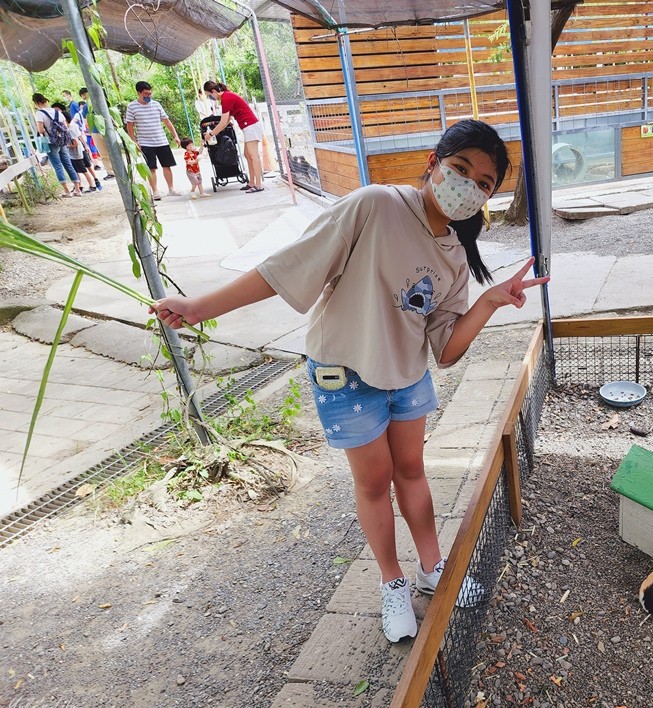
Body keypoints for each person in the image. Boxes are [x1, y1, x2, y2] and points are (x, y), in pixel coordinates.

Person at [151, 120, 549, 643]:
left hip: (406, 376)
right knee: (373, 482)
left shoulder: (454, 253)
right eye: (460, 170)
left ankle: (432, 567)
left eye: (484, 183)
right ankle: (392, 583)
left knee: (411, 471)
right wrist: (200, 308)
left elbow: (447, 350)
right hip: (345, 374)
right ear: (433, 163)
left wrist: (491, 300)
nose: (468, 187)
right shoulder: (376, 205)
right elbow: (288, 267)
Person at [202, 81, 264, 193]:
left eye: (209, 95)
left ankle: (258, 185)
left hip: (251, 126)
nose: (210, 98)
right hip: (248, 127)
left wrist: (210, 134)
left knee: (253, 156)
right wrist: (213, 133)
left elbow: (223, 122)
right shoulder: (226, 97)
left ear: (214, 92)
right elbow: (226, 121)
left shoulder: (226, 98)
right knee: (247, 155)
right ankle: (251, 183)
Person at [125, 80, 181, 200]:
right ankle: (155, 191)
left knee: (167, 165)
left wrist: (175, 135)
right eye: (145, 94)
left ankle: (171, 188)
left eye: (150, 93)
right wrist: (134, 141)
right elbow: (130, 125)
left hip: (162, 140)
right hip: (145, 142)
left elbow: (166, 120)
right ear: (139, 93)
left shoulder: (156, 104)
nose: (148, 96)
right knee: (151, 168)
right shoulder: (131, 107)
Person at [32, 93, 83, 198]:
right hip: (62, 141)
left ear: (36, 103)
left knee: (58, 166)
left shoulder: (39, 113)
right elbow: (65, 127)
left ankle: (67, 191)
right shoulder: (57, 112)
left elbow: (40, 130)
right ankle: (78, 189)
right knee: (68, 164)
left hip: (51, 142)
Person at [54, 102, 101, 193]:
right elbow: (79, 137)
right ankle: (82, 185)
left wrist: (67, 145)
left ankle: (91, 185)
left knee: (82, 170)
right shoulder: (72, 126)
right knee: (84, 168)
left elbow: (75, 142)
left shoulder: (70, 129)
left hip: (77, 153)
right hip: (80, 150)